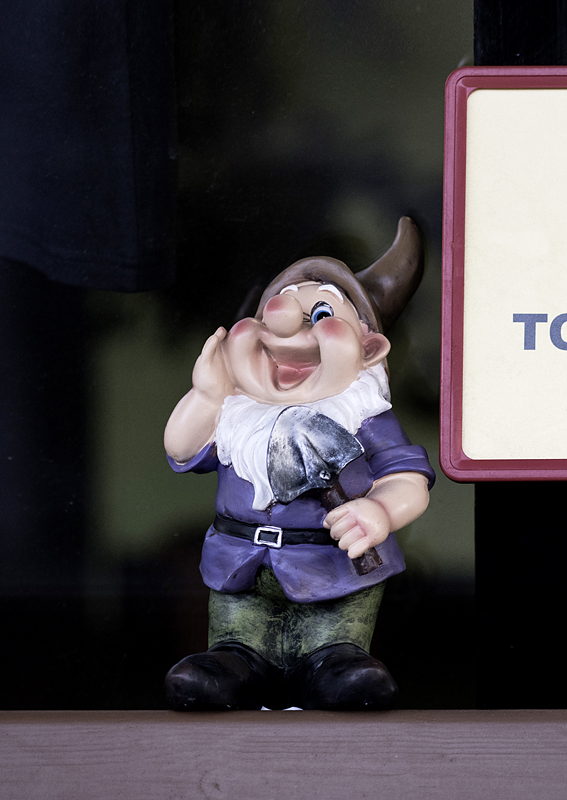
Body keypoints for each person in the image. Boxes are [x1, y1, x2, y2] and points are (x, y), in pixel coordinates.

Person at [163, 218, 433, 710]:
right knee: (236, 644)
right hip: (240, 568)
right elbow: (182, 449)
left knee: (336, 655)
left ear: (368, 349)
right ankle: (234, 663)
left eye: (320, 315)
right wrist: (206, 395)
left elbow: (406, 477)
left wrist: (380, 510)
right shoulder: (236, 416)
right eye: (270, 322)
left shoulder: (362, 416)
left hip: (333, 571)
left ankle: (333, 664)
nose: (287, 330)